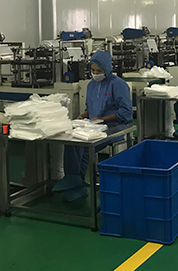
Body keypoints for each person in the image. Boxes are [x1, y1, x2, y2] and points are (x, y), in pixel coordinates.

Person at [53, 50, 132, 201]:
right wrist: (83, 116)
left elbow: (126, 112)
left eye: (99, 71)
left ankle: (75, 180)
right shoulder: (91, 85)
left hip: (114, 127)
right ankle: (75, 182)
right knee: (71, 141)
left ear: (107, 69)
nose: (95, 74)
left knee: (83, 146)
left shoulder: (118, 84)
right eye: (93, 70)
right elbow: (90, 109)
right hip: (94, 126)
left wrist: (104, 119)